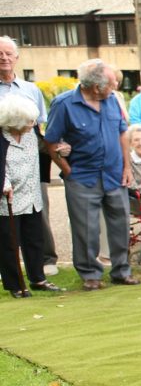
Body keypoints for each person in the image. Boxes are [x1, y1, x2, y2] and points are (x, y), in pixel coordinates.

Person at [44, 59, 138, 291]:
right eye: (112, 82)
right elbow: (51, 140)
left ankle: (121, 271)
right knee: (86, 229)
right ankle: (90, 275)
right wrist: (67, 170)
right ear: (96, 86)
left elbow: (122, 134)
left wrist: (127, 168)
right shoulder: (64, 104)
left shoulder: (112, 101)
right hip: (83, 177)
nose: (116, 85)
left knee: (120, 224)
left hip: (114, 175)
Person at [0, 35, 61, 276]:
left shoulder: (30, 89)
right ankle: (11, 275)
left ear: (16, 58)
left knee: (37, 217)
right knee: (6, 228)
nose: (3, 58)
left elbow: (42, 129)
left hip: (30, 162)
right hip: (4, 160)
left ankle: (42, 268)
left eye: (8, 54)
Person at [0, 95, 63, 296]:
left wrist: (63, 148)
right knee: (10, 243)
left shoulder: (30, 134)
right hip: (8, 198)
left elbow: (47, 149)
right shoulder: (2, 138)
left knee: (35, 239)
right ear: (14, 121)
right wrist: (4, 182)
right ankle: (15, 284)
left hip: (31, 194)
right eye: (28, 121)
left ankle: (38, 278)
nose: (32, 124)